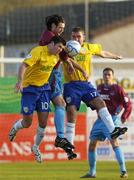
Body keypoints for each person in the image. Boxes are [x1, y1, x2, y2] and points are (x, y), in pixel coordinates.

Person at [62, 27, 128, 147]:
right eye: (73, 36)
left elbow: (102, 53)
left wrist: (115, 56)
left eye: (78, 37)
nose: (76, 39)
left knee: (100, 103)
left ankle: (113, 130)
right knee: (71, 112)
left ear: (84, 38)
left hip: (86, 85)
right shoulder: (65, 48)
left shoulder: (89, 47)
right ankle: (69, 143)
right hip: (71, 85)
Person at [8, 36, 68, 163]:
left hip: (44, 90)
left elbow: (58, 68)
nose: (60, 50)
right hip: (29, 89)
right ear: (52, 43)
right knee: (28, 122)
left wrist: (72, 66)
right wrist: (20, 81)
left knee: (43, 123)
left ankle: (35, 148)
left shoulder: (56, 57)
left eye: (62, 48)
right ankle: (16, 127)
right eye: (59, 47)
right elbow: (23, 65)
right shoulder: (37, 51)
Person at [39, 15, 87, 159]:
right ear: (52, 26)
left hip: (52, 74)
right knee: (59, 105)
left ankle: (60, 138)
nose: (61, 30)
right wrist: (72, 63)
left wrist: (75, 66)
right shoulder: (49, 36)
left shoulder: (53, 37)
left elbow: (65, 56)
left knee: (59, 105)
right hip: (49, 74)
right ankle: (60, 137)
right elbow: (64, 54)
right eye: (59, 27)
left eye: (63, 28)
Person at [81, 67, 132, 178]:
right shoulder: (98, 88)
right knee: (92, 145)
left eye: (109, 74)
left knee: (115, 143)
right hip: (100, 121)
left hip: (112, 119)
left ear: (112, 76)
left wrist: (124, 116)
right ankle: (92, 172)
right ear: (102, 76)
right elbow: (94, 102)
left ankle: (123, 171)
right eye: (105, 74)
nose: (107, 76)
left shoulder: (117, 88)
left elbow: (128, 104)